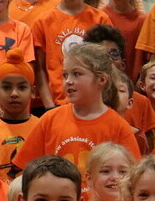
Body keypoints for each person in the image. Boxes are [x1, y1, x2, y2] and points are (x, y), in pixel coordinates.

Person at [14, 43, 141, 172]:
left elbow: (132, 179)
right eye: (65, 75)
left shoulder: (119, 127)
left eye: (77, 74)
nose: (68, 81)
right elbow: (27, 170)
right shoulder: (50, 120)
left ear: (101, 80)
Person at [32, 0, 109, 109]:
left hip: (94, 103)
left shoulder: (100, 20)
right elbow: (39, 69)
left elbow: (108, 65)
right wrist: (48, 105)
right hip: (57, 104)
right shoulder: (43, 22)